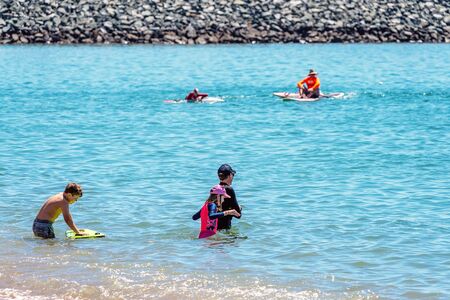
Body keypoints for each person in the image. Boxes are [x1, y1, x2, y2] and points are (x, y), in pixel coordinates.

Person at [217, 164, 241, 230]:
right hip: (224, 229)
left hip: (213, 227)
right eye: (233, 175)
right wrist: (239, 208)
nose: (233, 177)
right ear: (230, 175)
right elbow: (238, 214)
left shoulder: (215, 189)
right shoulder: (229, 189)